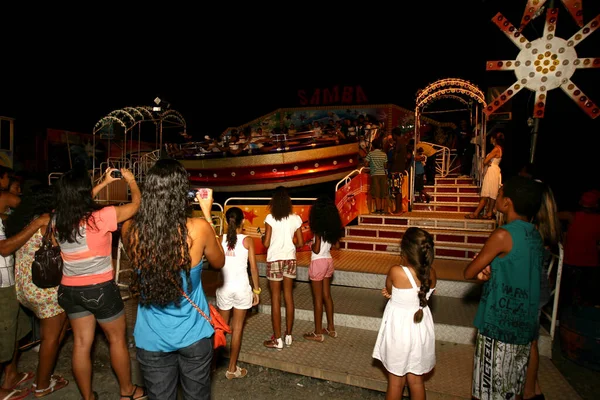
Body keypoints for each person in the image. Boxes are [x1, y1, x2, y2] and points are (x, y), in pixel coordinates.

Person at [121, 159, 225, 400]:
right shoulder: (198, 229)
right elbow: (219, 263)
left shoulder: (129, 230)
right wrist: (208, 213)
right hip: (194, 335)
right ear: (181, 194)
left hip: (151, 337)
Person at [53, 166, 145, 400]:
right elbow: (136, 206)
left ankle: (88, 397)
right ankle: (127, 391)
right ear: (84, 192)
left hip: (70, 290)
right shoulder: (101, 217)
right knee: (117, 341)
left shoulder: (57, 220)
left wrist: (103, 183)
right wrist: (131, 181)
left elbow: (77, 202)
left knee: (82, 344)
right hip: (100, 290)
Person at [464, 176, 546, 400]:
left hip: (498, 325)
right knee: (511, 389)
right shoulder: (534, 235)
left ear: (507, 202)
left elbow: (469, 272)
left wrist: (483, 264)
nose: (497, 197)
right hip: (523, 326)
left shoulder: (502, 235)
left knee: (489, 391)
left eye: (499, 194)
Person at [7, 185, 70, 398]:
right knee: (51, 339)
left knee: (58, 331)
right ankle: (42, 385)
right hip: (46, 289)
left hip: (24, 287)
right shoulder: (47, 221)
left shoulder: (23, 219)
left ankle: (43, 375)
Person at [372, 227, 436, 400]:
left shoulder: (396, 271)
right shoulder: (431, 273)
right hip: (420, 328)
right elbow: (421, 294)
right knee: (416, 381)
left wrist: (390, 294)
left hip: (399, 331)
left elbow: (389, 288)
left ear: (405, 250)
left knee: (396, 382)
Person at [216, 206, 260, 379]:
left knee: (221, 328)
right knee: (238, 328)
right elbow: (254, 269)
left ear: (227, 221)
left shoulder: (220, 239)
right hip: (241, 289)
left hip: (224, 288)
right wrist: (256, 290)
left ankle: (212, 365)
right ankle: (232, 368)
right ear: (243, 221)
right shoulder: (247, 241)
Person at [261, 186, 304, 349]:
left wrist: (264, 237)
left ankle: (277, 339)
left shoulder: (270, 218)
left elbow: (266, 243)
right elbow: (300, 242)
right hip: (290, 259)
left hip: (274, 259)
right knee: (288, 297)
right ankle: (288, 335)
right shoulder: (295, 219)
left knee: (275, 300)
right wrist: (288, 243)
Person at [303, 195, 343, 342]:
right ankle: (331, 328)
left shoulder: (318, 229)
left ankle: (317, 332)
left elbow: (317, 249)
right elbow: (337, 246)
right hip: (328, 261)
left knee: (317, 299)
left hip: (318, 262)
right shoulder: (331, 228)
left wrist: (310, 245)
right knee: (327, 296)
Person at [466, 131, 504, 220]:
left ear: (494, 139)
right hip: (496, 170)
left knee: (486, 192)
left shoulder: (496, 149)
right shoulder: (500, 149)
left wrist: (488, 162)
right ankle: (489, 212)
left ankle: (476, 213)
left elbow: (485, 161)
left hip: (492, 170)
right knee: (492, 193)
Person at [364, 138, 389, 214]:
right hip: (383, 174)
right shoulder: (384, 154)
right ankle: (382, 209)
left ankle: (378, 209)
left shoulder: (370, 154)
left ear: (373, 146)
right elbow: (385, 165)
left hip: (374, 174)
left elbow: (366, 164)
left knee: (376, 192)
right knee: (383, 192)